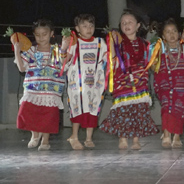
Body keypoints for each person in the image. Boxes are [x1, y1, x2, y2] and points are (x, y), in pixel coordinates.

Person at [101, 11, 160, 150]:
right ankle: (122, 138)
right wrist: (112, 43)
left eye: (130, 22)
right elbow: (112, 59)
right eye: (123, 23)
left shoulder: (145, 44)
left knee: (138, 112)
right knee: (123, 112)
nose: (126, 25)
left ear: (138, 25)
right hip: (123, 84)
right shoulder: (118, 42)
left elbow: (151, 64)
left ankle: (135, 139)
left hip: (140, 84)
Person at [14, 19, 65, 151]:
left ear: (51, 33)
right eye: (38, 34)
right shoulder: (31, 51)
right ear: (34, 35)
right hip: (32, 88)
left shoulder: (57, 51)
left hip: (51, 90)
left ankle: (45, 140)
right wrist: (17, 50)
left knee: (47, 116)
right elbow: (21, 68)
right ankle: (35, 134)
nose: (41, 37)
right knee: (28, 110)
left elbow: (64, 66)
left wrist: (65, 47)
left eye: (44, 34)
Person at [64, 14, 108, 150]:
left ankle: (89, 138)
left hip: (94, 84)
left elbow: (107, 60)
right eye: (84, 26)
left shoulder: (100, 43)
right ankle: (74, 136)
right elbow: (65, 63)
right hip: (77, 85)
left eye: (91, 26)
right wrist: (64, 49)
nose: (88, 29)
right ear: (77, 28)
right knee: (77, 109)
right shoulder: (74, 42)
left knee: (93, 109)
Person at [152, 19, 184, 148]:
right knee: (167, 107)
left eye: (174, 31)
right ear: (163, 36)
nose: (171, 34)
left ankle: (177, 135)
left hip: (182, 85)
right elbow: (152, 66)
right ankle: (167, 134)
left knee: (180, 109)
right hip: (165, 85)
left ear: (179, 33)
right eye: (167, 32)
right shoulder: (158, 49)